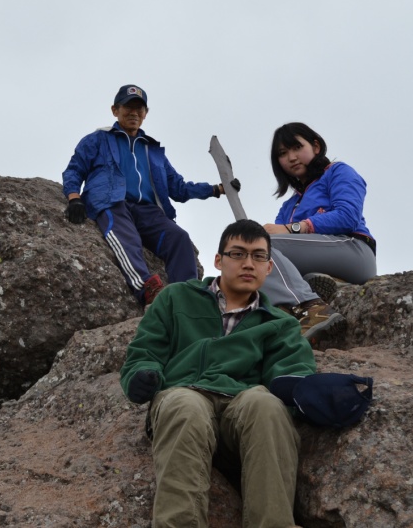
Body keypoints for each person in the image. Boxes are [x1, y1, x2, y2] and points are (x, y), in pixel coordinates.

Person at [120, 219, 316, 527]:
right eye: (237, 254)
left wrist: (299, 386)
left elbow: (292, 368)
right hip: (186, 394)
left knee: (267, 405)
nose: (248, 263)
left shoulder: (281, 323)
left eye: (258, 256)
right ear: (218, 260)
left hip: (242, 412)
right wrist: (143, 374)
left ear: (269, 267)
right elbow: (145, 351)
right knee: (185, 406)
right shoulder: (175, 297)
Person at [62, 84, 238, 306]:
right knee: (128, 238)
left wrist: (216, 190)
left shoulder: (152, 150)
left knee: (179, 238)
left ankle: (187, 295)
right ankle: (148, 289)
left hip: (148, 210)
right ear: (115, 110)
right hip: (112, 202)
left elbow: (179, 188)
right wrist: (74, 198)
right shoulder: (98, 139)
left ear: (146, 113)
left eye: (139, 108)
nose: (134, 113)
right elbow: (74, 169)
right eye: (128, 107)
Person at [260, 122, 376, 345]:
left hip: (354, 249)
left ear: (315, 146)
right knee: (257, 260)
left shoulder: (338, 172)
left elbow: (348, 215)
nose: (291, 157)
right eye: (283, 154)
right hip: (318, 261)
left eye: (296, 148)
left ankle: (311, 310)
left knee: (263, 247)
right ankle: (302, 301)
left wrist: (293, 228)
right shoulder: (289, 205)